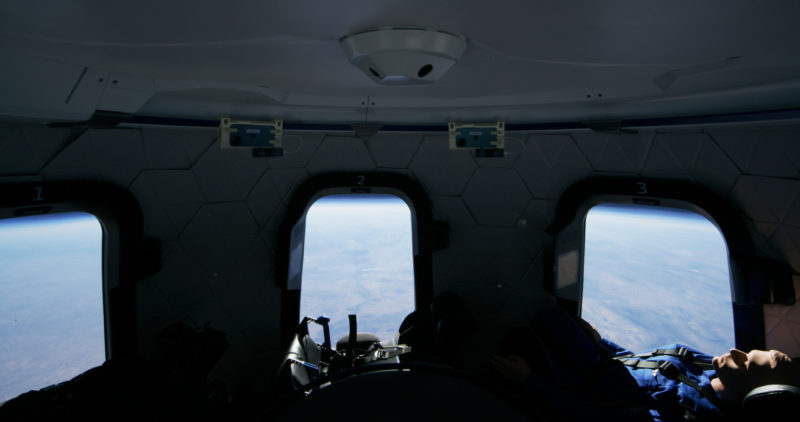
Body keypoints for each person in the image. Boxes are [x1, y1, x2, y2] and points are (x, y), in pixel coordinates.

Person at [490, 306, 800, 421]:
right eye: (747, 351)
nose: (734, 351)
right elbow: (646, 365)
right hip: (602, 363)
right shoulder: (708, 365)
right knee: (551, 316)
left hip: (579, 388)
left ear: (747, 392)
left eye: (744, 363)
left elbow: (594, 417)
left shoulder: (686, 412)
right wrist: (603, 343)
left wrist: (530, 380)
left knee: (519, 344)